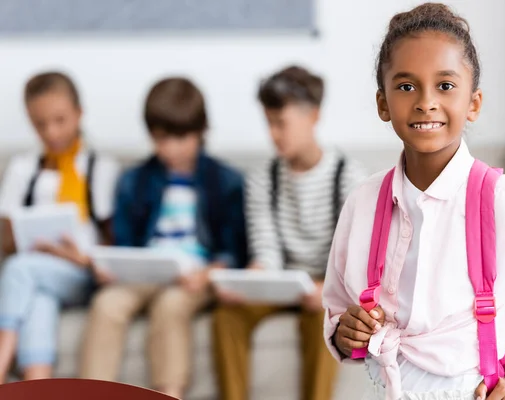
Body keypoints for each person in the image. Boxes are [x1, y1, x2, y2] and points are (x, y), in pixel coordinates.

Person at [322, 4, 505, 400]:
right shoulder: (361, 203)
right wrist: (346, 330)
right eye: (406, 86)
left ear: (473, 102)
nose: (425, 102)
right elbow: (338, 314)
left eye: (445, 86)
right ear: (383, 103)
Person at [79, 77, 248, 399]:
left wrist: (209, 273)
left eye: (181, 138)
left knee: (171, 307)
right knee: (106, 304)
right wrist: (111, 268)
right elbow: (125, 246)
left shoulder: (225, 182)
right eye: (161, 139)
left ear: (201, 132)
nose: (170, 149)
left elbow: (233, 252)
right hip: (144, 272)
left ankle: (170, 393)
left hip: (193, 277)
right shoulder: (134, 181)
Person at [212, 65, 367, 400]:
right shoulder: (261, 179)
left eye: (281, 123)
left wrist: (327, 289)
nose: (273, 134)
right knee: (227, 317)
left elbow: (354, 258)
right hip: (281, 279)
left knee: (324, 322)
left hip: (326, 283)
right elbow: (265, 249)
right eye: (269, 123)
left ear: (312, 116)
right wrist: (250, 281)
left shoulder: (348, 176)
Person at [0, 71, 120, 382]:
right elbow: (6, 241)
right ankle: (36, 384)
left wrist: (77, 256)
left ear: (79, 114)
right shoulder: (22, 169)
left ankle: (2, 354)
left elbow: (115, 242)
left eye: (60, 120)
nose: (51, 132)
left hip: (81, 273)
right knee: (39, 299)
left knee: (19, 269)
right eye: (40, 124)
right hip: (39, 273)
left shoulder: (101, 168)